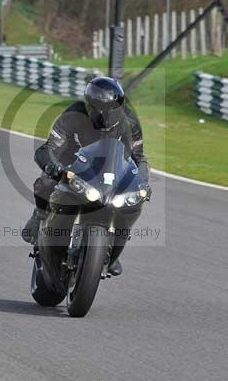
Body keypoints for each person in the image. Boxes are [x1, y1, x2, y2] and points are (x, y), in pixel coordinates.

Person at [22, 76, 150, 277]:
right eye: (98, 109)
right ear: (89, 106)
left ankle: (112, 253)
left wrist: (141, 181)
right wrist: (54, 167)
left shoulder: (129, 121)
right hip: (72, 160)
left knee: (132, 201)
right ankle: (39, 215)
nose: (105, 116)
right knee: (46, 181)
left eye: (111, 110)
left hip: (108, 168)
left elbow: (138, 157)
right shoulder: (73, 115)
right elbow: (48, 149)